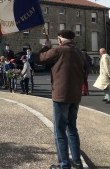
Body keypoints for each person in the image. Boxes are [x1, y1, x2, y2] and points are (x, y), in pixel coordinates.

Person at [35, 30, 85, 169]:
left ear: (60, 39)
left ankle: (64, 165)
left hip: (61, 95)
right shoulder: (79, 52)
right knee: (72, 128)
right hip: (75, 95)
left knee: (60, 131)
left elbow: (38, 59)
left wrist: (46, 46)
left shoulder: (59, 50)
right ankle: (77, 161)